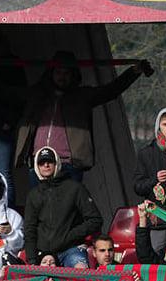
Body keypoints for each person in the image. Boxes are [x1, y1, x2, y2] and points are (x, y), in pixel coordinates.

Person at [11, 51, 154, 188]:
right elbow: (9, 93)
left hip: (68, 164)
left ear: (74, 75)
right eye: (58, 72)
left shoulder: (82, 96)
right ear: (51, 73)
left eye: (66, 73)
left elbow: (111, 91)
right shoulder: (38, 95)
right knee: (39, 209)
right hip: (39, 162)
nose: (62, 77)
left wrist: (133, 72)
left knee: (69, 210)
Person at [23, 147, 104, 267]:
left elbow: (95, 220)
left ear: (57, 164)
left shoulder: (75, 188)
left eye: (50, 161)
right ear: (37, 166)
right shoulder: (33, 195)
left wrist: (69, 236)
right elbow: (29, 230)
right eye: (42, 162)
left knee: (81, 273)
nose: (46, 165)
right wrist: (32, 261)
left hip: (71, 249)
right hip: (44, 254)